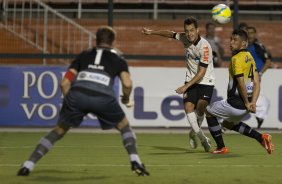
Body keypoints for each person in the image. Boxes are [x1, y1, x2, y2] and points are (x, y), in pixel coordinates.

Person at [17, 26, 150, 176]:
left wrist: (71, 102)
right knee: (125, 128)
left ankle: (28, 165)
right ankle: (135, 161)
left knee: (58, 131)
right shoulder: (119, 60)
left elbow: (64, 83)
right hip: (104, 98)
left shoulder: (83, 55)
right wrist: (125, 99)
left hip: (77, 95)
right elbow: (127, 84)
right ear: (113, 42)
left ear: (96, 40)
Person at [142, 16, 215, 152]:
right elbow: (170, 33)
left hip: (206, 81)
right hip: (190, 79)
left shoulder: (204, 47)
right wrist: (152, 32)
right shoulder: (184, 38)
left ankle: (193, 132)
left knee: (200, 108)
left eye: (192, 30)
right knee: (188, 108)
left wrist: (185, 87)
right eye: (186, 31)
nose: (189, 34)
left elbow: (201, 72)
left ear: (198, 30)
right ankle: (202, 138)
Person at [205, 29, 274, 154]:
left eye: (235, 40)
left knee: (209, 111)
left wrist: (248, 102)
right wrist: (252, 102)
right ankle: (261, 138)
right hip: (245, 108)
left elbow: (241, 83)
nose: (231, 42)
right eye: (231, 39)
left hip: (235, 104)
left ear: (244, 44)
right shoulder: (250, 58)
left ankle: (221, 147)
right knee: (228, 124)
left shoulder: (236, 59)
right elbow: (257, 82)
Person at [246, 26, 272, 129]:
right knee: (249, 97)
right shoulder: (243, 46)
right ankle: (260, 115)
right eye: (248, 33)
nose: (250, 35)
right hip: (244, 75)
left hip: (254, 76)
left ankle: (229, 121)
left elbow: (268, 61)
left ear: (255, 34)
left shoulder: (259, 47)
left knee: (247, 96)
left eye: (252, 32)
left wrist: (260, 73)